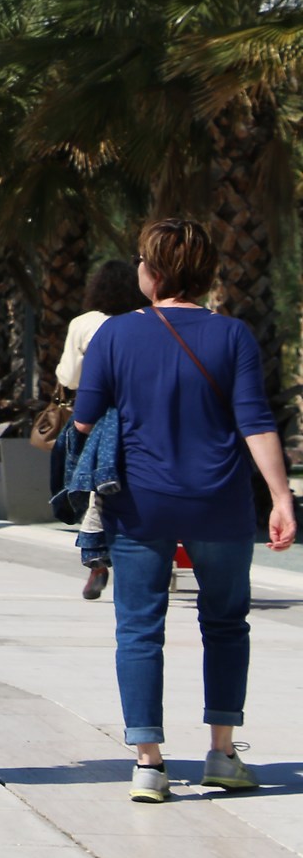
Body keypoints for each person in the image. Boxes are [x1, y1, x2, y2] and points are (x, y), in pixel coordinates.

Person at [74, 219, 295, 802]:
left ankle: (149, 762)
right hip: (219, 501)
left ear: (150, 273)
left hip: (141, 504)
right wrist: (280, 496)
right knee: (225, 625)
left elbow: (83, 418)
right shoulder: (233, 336)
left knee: (139, 628)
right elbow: (255, 420)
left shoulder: (114, 335)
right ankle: (222, 753)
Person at [56, 259, 146, 600]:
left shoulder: (84, 324)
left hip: (94, 415)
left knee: (95, 487)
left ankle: (95, 560)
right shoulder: (144, 322)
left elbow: (69, 377)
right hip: (139, 415)